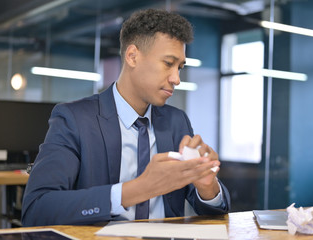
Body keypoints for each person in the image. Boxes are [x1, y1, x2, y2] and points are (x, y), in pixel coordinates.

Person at [21, 8, 231, 226]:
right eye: (168, 63)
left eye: (180, 67)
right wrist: (137, 190)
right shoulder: (74, 119)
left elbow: (213, 211)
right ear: (132, 56)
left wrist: (207, 187)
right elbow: (37, 208)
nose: (176, 78)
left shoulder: (176, 122)